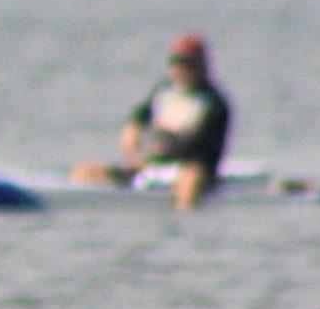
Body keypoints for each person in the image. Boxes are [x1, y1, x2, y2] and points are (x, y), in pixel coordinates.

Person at [72, 33, 234, 209]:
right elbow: (137, 120)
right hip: (151, 164)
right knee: (85, 171)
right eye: (176, 62)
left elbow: (202, 147)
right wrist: (133, 151)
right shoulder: (164, 92)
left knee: (192, 177)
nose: (180, 69)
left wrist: (163, 151)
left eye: (187, 64)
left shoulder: (215, 104)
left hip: (188, 170)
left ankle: (184, 220)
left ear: (200, 67)